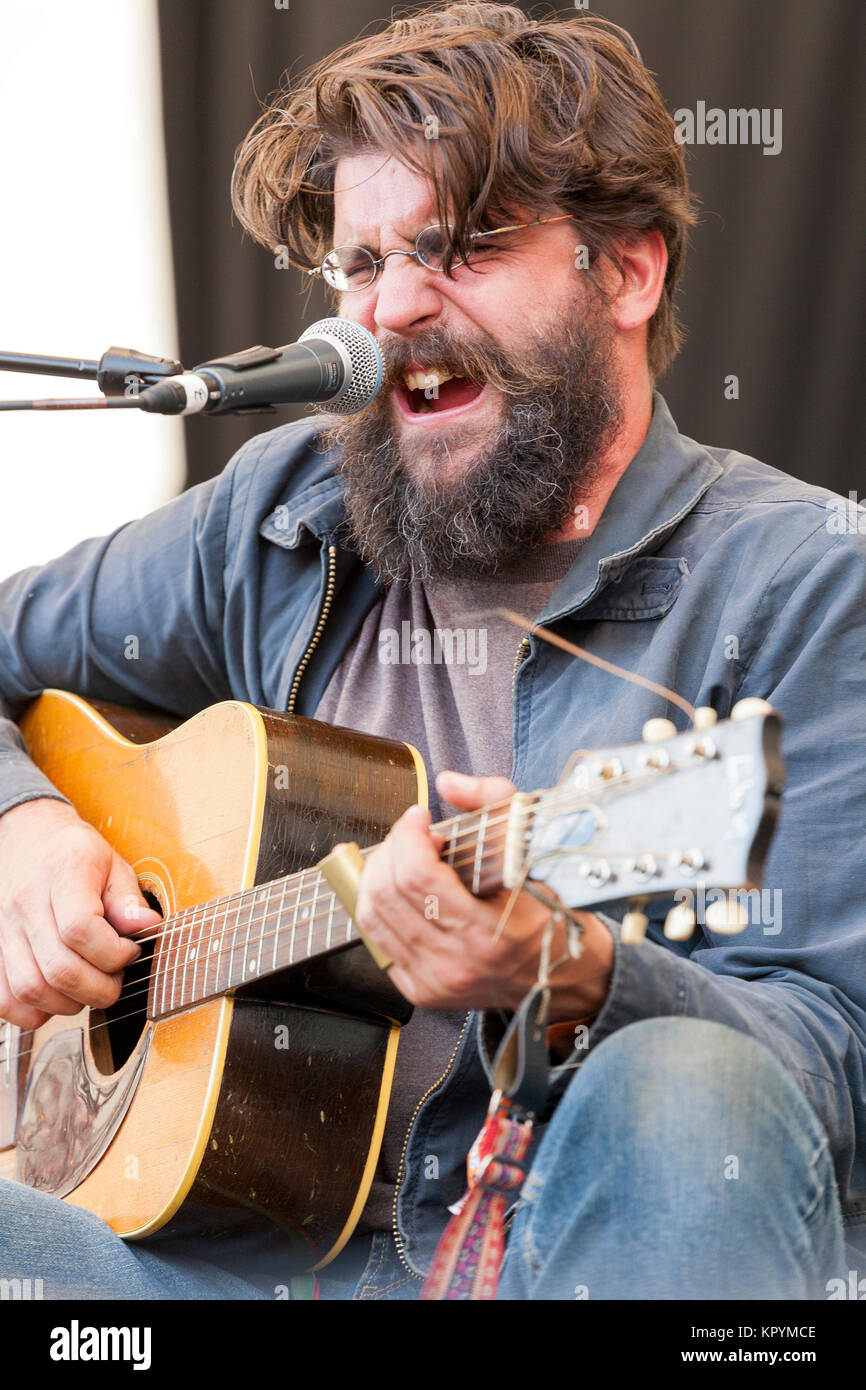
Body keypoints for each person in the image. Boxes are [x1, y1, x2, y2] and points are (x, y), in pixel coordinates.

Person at [0, 4, 863, 1301]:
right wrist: (25, 832)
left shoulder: (803, 580)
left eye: (457, 247)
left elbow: (831, 1058)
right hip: (208, 1272)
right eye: (359, 264)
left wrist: (571, 974)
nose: (391, 307)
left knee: (683, 1080)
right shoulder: (282, 518)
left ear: (627, 271)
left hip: (551, 1260)